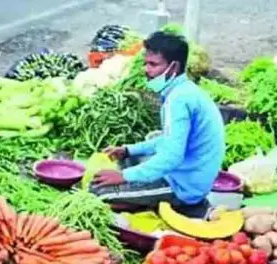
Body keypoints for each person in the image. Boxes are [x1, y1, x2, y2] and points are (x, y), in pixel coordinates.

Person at [91, 31, 224, 216]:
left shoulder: (178, 100)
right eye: (146, 63)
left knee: (97, 192)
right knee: (127, 158)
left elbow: (171, 157)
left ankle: (173, 205)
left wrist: (123, 176)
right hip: (189, 173)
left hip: (184, 187)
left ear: (174, 67)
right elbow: (168, 140)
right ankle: (138, 199)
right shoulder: (185, 91)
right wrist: (128, 150)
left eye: (153, 64)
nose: (147, 70)